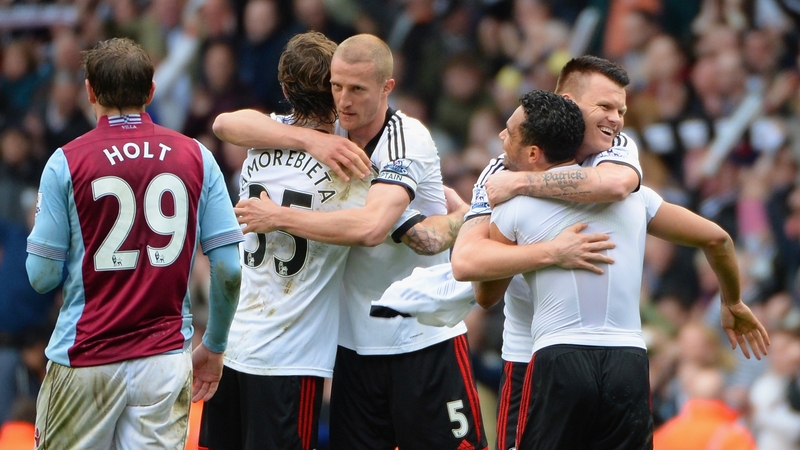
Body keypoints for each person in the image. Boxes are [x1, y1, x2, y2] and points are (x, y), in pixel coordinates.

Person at [218, 34, 486, 449]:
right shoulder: (327, 129)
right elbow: (227, 124)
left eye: (357, 89)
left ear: (386, 88)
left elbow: (395, 233)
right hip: (353, 349)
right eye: (336, 86)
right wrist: (311, 139)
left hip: (420, 339)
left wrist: (464, 217)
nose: (343, 100)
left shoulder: (404, 139)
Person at [473, 89, 769, 449]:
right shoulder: (635, 197)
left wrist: (539, 250)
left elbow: (486, 294)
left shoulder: (513, 206)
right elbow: (718, 239)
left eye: (509, 133)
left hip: (558, 356)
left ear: (533, 153)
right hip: (628, 361)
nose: (501, 140)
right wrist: (733, 301)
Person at [25, 38, 243, 449]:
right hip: (164, 359)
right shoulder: (197, 155)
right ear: (151, 92)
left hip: (87, 353)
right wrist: (214, 345)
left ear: (89, 90)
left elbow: (42, 277)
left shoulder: (66, 161)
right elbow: (230, 269)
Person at [452, 55, 639, 450]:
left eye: (620, 109)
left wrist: (523, 185)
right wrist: (551, 252)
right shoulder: (501, 170)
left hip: (591, 355)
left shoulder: (616, 151)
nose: (616, 119)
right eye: (604, 107)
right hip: (530, 356)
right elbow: (480, 283)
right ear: (570, 102)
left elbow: (617, 186)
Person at [199, 31, 373, 450]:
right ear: (335, 90)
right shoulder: (353, 158)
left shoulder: (264, 134)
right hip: (288, 358)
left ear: (282, 89)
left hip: (237, 344)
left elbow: (224, 124)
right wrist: (312, 138)